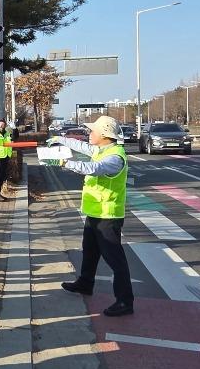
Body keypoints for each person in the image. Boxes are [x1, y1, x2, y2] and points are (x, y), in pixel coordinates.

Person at [46, 115, 134, 317]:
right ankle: (85, 283)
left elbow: (93, 169)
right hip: (95, 212)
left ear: (104, 135)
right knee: (90, 251)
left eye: (93, 131)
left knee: (115, 260)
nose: (89, 133)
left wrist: (64, 162)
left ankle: (125, 301)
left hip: (107, 216)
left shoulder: (115, 157)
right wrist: (60, 139)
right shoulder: (102, 150)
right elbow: (82, 147)